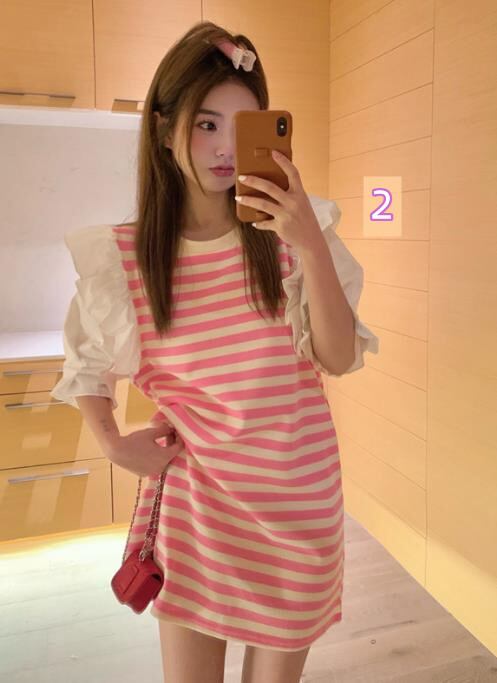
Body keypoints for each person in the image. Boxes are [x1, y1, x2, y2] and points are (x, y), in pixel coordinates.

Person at [50, 20, 379, 683]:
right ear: (163, 128)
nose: (227, 148)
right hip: (198, 510)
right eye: (206, 124)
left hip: (299, 504)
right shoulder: (126, 257)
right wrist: (113, 442)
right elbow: (85, 364)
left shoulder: (295, 235)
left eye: (242, 125)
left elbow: (339, 357)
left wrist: (310, 243)